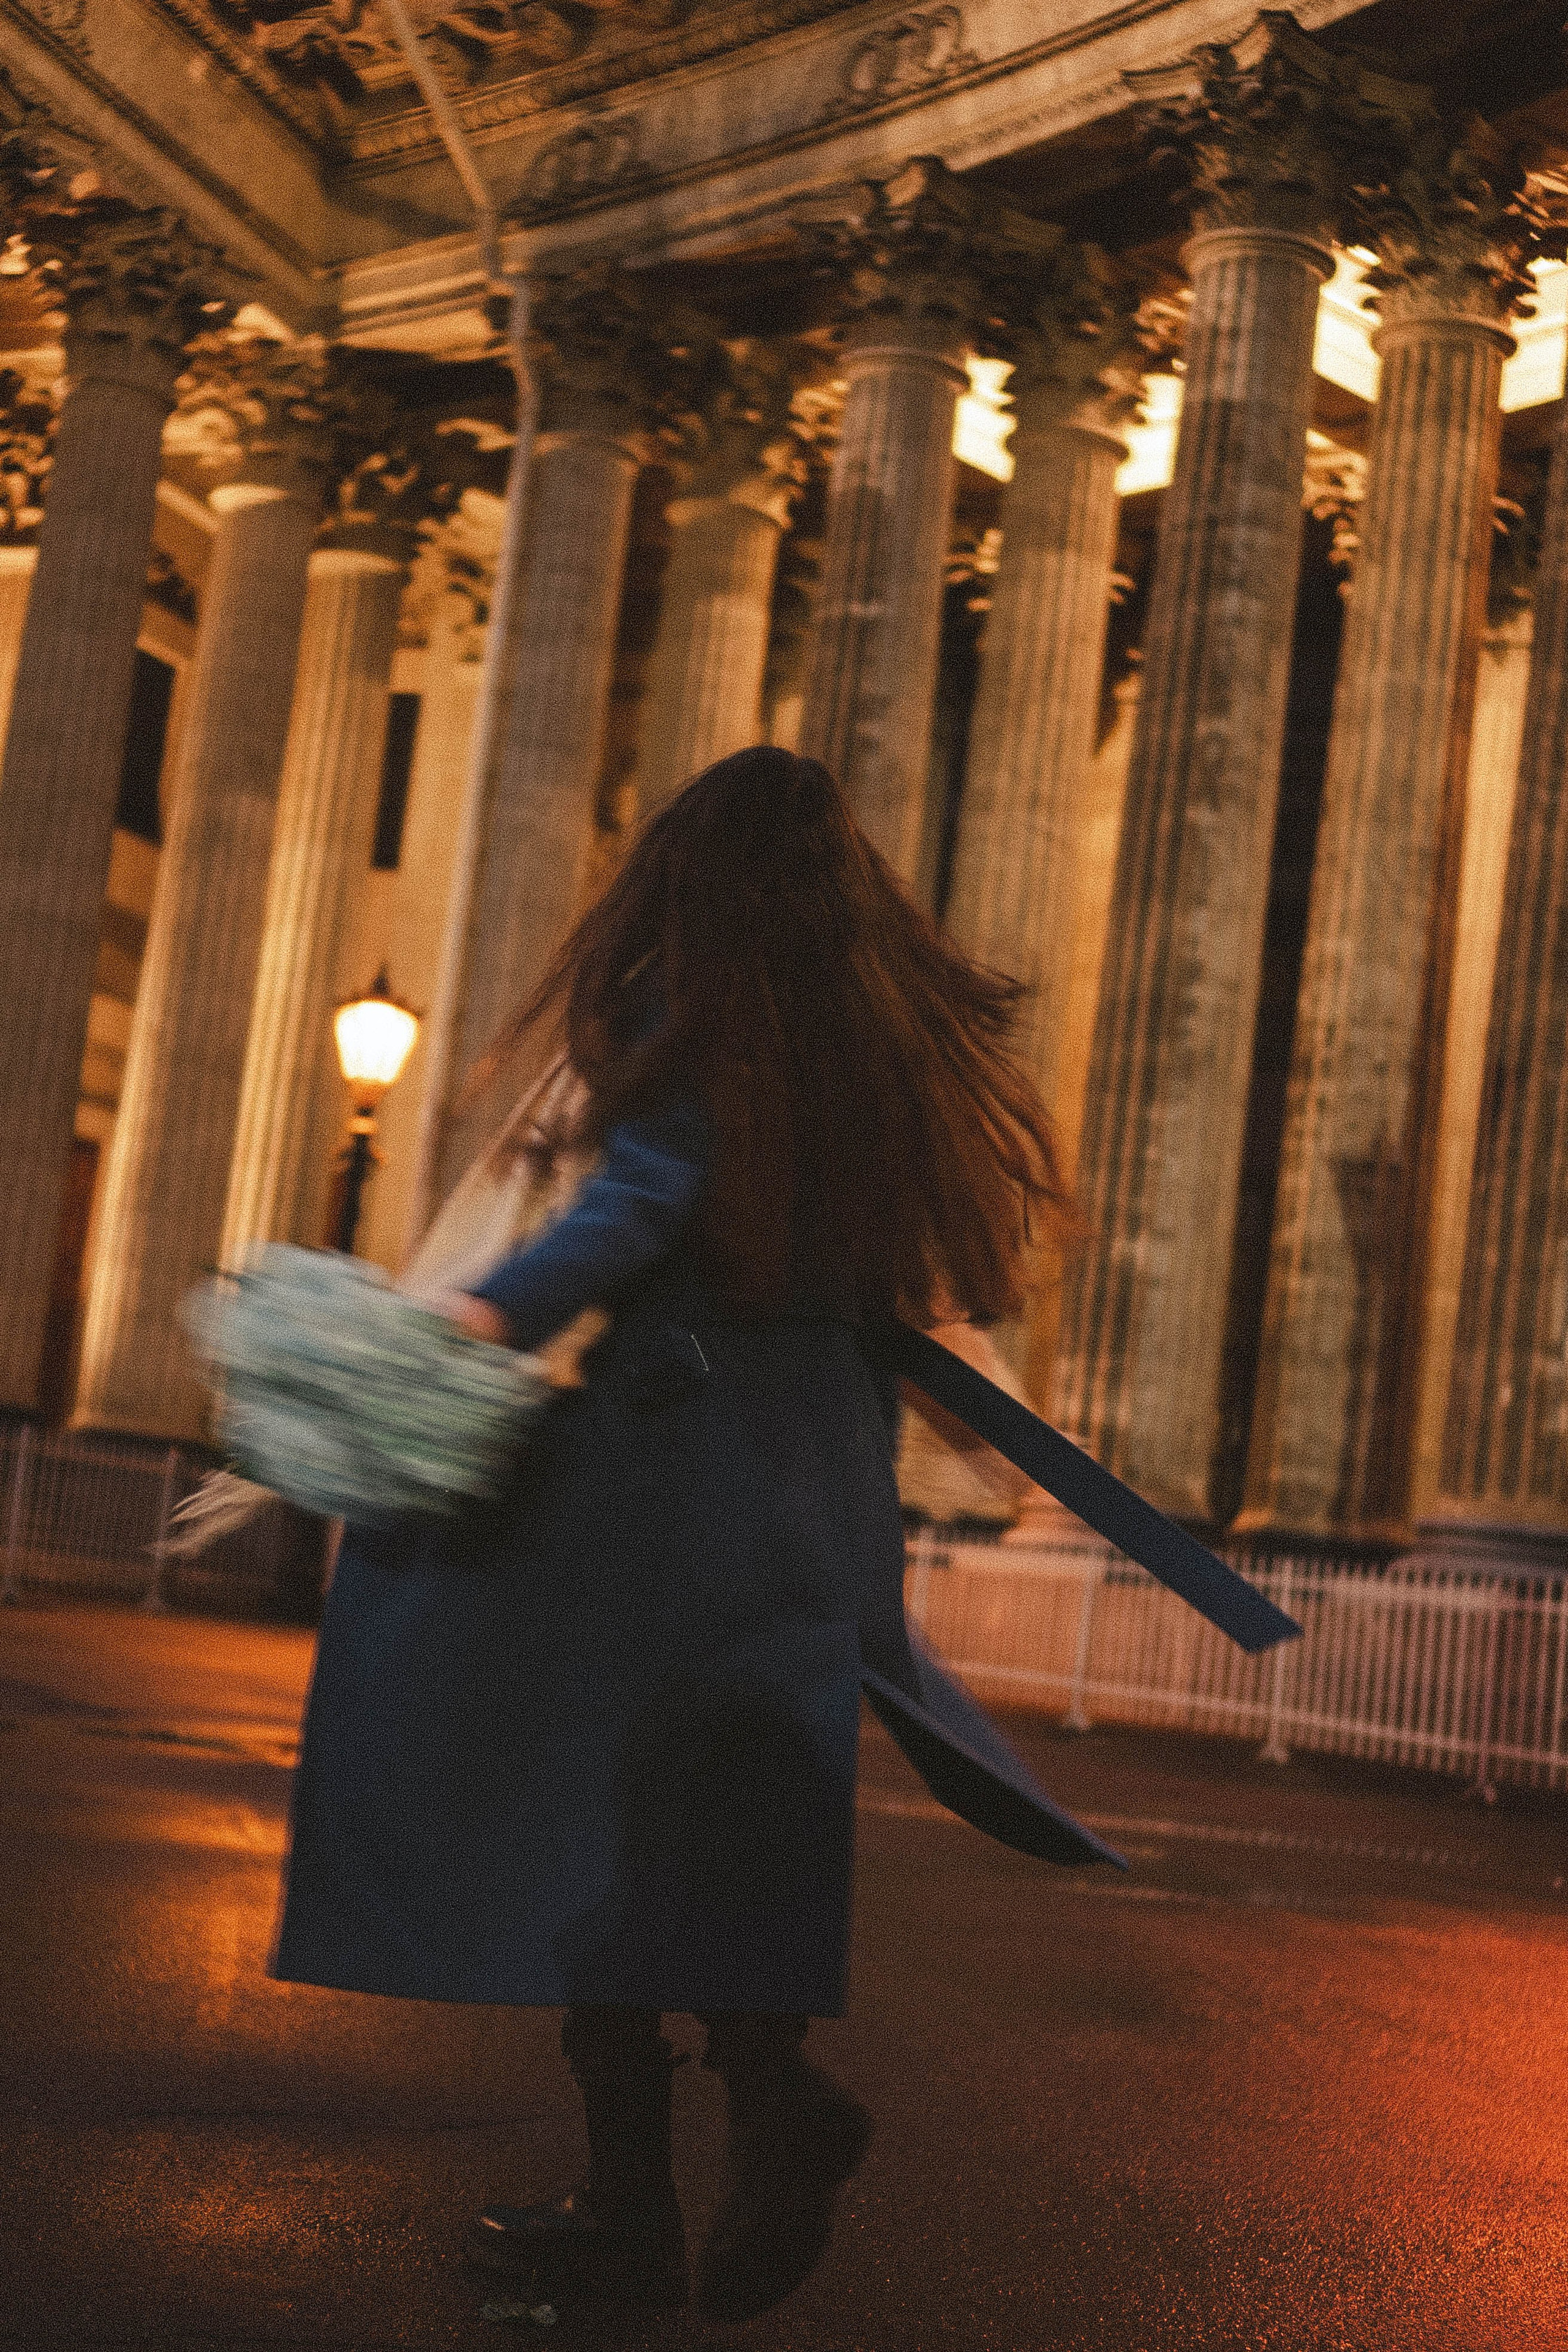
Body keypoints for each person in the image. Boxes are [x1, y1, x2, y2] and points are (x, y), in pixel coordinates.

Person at [269, 744, 1118, 2325]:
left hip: (661, 1469)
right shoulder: (882, 1049)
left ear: (686, 872)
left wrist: (469, 1315)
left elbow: (635, 1204)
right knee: (731, 1823)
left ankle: (631, 2202)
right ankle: (767, 2098)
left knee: (583, 1818)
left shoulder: (697, 1000)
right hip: (811, 1482)